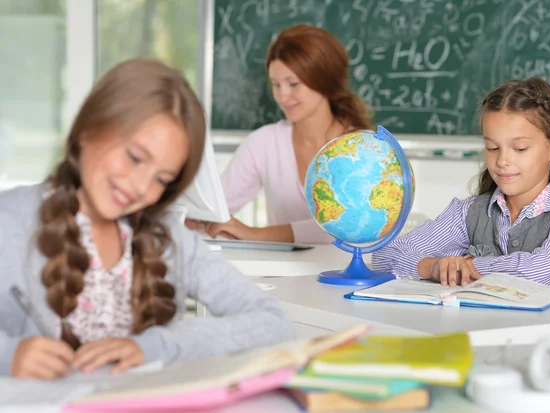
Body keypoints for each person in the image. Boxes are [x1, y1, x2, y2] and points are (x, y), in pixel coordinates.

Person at [0, 59, 294, 380]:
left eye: (162, 179)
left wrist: (157, 346)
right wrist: (9, 356)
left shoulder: (168, 238)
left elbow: (273, 321)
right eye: (135, 157)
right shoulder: (12, 222)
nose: (141, 188)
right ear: (88, 130)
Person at [372, 77, 550, 299]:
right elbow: (385, 254)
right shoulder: (469, 212)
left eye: (520, 149)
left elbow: (538, 272)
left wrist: (466, 264)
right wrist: (433, 267)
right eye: (492, 148)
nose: (502, 160)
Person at [186, 24, 374, 244]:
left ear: (325, 81)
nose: (283, 96)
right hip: (281, 276)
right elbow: (214, 208)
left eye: (293, 84)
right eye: (276, 84)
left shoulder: (363, 148)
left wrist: (253, 233)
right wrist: (196, 218)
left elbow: (344, 227)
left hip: (347, 275)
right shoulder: (264, 143)